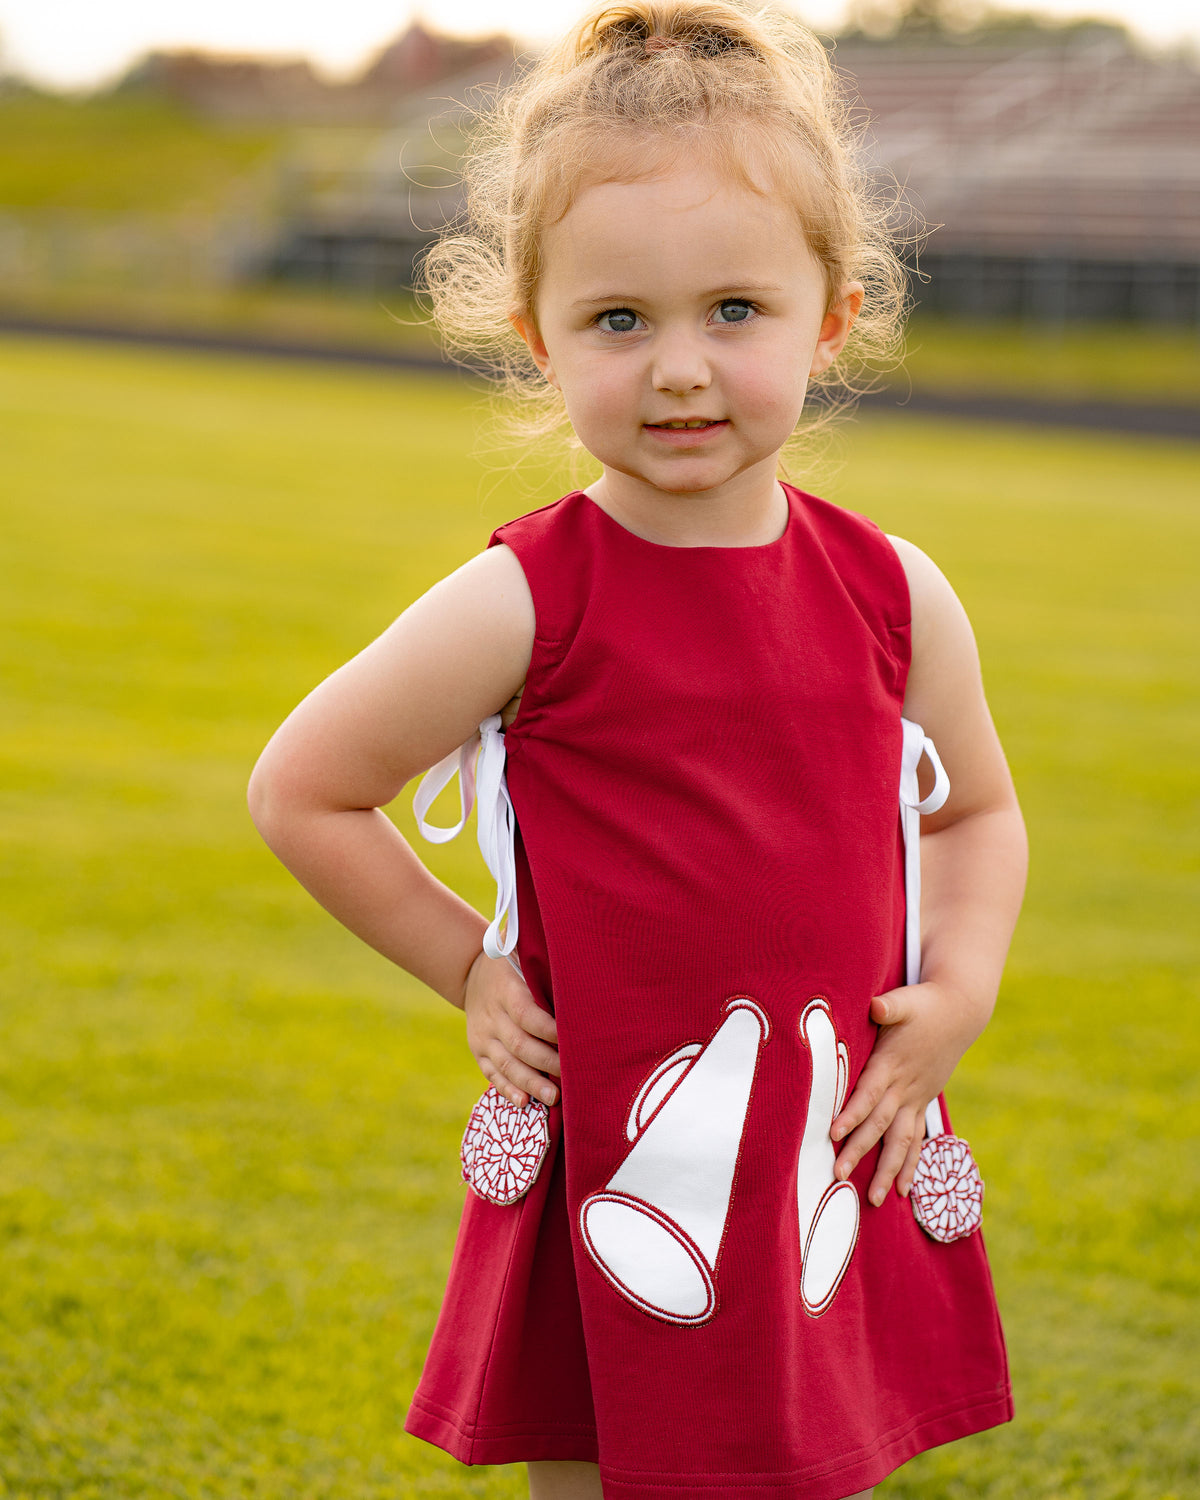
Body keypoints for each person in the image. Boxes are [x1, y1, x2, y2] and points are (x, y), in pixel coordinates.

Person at [248, 3, 1028, 1496]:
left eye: (736, 311)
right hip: (623, 1151)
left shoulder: (894, 593)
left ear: (833, 317)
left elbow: (977, 814)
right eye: (621, 321)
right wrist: (472, 970)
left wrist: (964, 987)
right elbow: (304, 788)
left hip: (824, 1137)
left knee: (816, 1450)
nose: (680, 368)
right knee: (607, 1463)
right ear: (538, 337)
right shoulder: (527, 597)